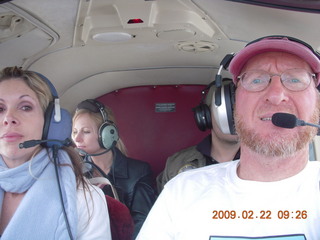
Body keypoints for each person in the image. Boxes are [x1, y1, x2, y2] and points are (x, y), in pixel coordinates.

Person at [136, 35, 320, 239]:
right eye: (256, 79)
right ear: (234, 105)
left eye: (295, 79)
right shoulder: (182, 190)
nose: (276, 95)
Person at [0, 67, 111, 239]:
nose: (8, 117)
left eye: (25, 107)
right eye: (0, 108)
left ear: (51, 122)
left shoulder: (86, 201)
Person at [72, 99, 157, 239]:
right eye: (75, 131)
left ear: (107, 134)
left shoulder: (139, 172)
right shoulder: (74, 172)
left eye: (86, 131)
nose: (77, 138)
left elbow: (143, 227)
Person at [156, 80, 240, 194]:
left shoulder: (267, 163)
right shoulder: (177, 163)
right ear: (205, 116)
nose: (233, 118)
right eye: (224, 112)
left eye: (240, 111)